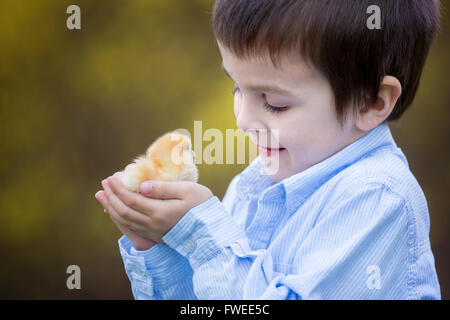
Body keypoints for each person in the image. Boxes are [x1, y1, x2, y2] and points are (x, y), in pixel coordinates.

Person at [95, 0, 441, 299]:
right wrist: (161, 246)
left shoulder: (378, 200)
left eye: (274, 103)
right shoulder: (255, 184)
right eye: (237, 89)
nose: (243, 121)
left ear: (370, 101)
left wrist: (203, 237)